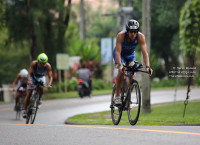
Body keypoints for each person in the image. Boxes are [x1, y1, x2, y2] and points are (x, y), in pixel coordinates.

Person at [113, 19, 153, 105]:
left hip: (131, 55)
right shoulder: (121, 36)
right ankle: (117, 96)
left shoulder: (141, 37)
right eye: (131, 32)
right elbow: (117, 52)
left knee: (133, 75)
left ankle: (128, 99)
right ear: (127, 31)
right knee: (121, 70)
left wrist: (148, 67)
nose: (133, 34)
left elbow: (145, 53)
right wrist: (120, 65)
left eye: (135, 32)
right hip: (121, 55)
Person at [23, 53, 53, 118]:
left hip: (41, 77)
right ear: (38, 61)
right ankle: (25, 110)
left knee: (41, 87)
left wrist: (49, 84)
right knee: (29, 93)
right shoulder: (34, 63)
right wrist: (29, 80)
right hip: (33, 77)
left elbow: (50, 76)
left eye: (43, 63)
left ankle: (39, 99)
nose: (42, 65)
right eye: (40, 63)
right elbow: (29, 73)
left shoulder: (48, 66)